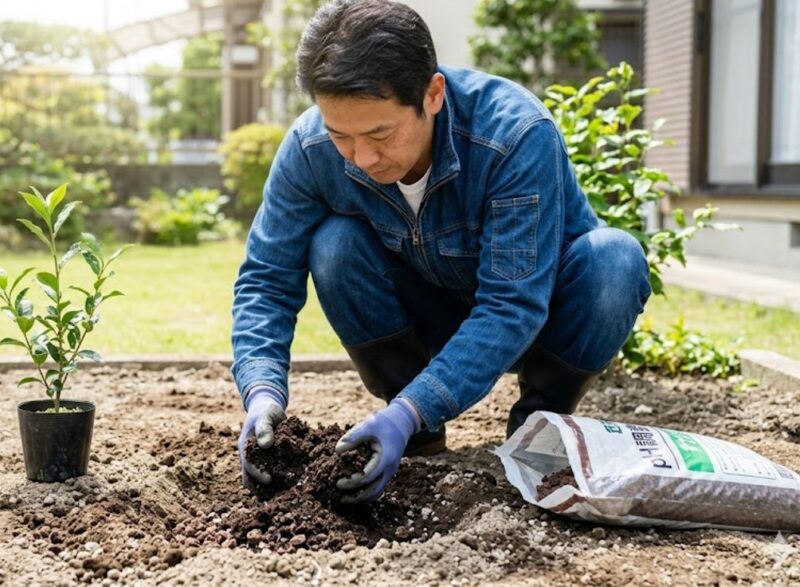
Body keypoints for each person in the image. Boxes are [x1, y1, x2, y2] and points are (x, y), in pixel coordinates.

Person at [231, 0, 651, 504]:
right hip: (422, 314)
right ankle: (416, 431)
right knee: (333, 244)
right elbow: (266, 278)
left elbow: (510, 304)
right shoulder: (308, 149)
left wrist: (411, 408)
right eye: (341, 135)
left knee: (616, 262)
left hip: (537, 318)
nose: (362, 158)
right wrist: (261, 394)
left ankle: (536, 428)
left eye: (380, 134)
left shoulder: (513, 135)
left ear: (432, 94)